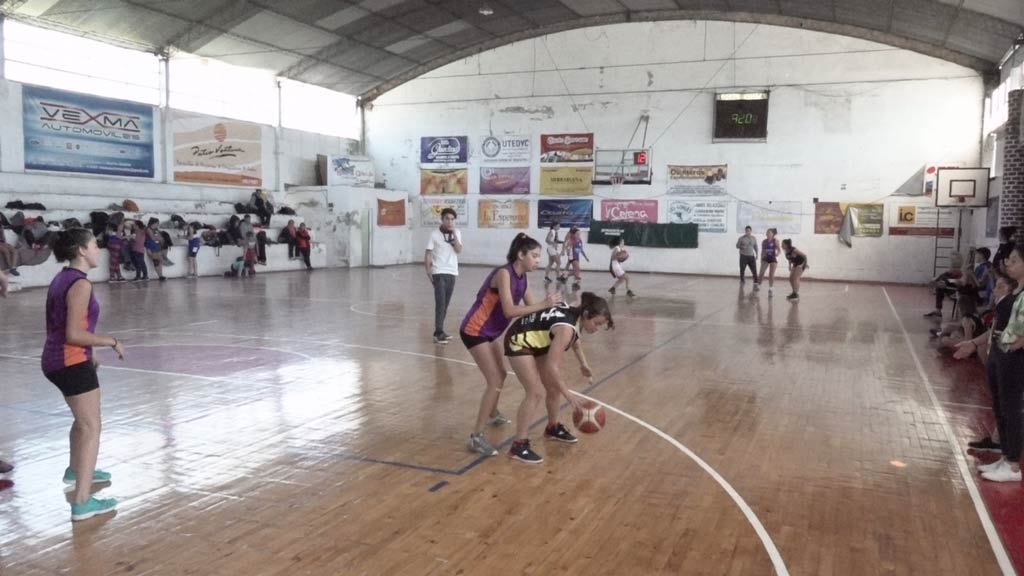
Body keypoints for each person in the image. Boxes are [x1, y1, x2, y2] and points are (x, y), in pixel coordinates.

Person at [42, 229, 126, 521]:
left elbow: (62, 326)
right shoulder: (80, 285)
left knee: (82, 422)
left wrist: (92, 354)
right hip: (69, 362)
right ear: (81, 250)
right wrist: (111, 341)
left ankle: (75, 470)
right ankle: (82, 501)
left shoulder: (62, 278)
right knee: (91, 427)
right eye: (94, 245)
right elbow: (74, 333)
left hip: (59, 359)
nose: (98, 249)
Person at [462, 233, 563, 457]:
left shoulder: (523, 278)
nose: (538, 260)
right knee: (495, 379)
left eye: (539, 256)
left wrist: (560, 312)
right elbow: (510, 310)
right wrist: (544, 304)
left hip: (489, 332)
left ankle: (491, 413)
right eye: (535, 256)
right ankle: (476, 437)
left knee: (501, 374)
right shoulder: (504, 274)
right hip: (474, 330)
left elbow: (536, 308)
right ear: (521, 255)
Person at [504, 292, 613, 464]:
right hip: (518, 340)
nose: (596, 328)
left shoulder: (574, 317)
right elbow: (551, 366)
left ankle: (552, 428)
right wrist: (569, 396)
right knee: (535, 392)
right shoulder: (566, 328)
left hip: (537, 340)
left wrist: (583, 364)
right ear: (586, 315)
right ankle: (518, 445)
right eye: (596, 323)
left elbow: (576, 344)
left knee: (553, 387)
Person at [962, 244, 1024, 482]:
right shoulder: (1015, 292)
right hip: (999, 354)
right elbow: (998, 326)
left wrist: (1011, 346)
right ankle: (1005, 456)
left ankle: (1013, 466)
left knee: (1011, 410)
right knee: (1000, 408)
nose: (1008, 264)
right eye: (1009, 260)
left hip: (1013, 358)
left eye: (1015, 260)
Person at [954, 272, 1018, 453]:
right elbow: (992, 332)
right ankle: (999, 442)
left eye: (1000, 287)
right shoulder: (1002, 308)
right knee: (1002, 403)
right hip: (1001, 359)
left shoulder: (1014, 307)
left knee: (1012, 406)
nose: (995, 291)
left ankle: (1010, 457)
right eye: (995, 286)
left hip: (1012, 362)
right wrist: (973, 343)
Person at [425, 208, 462, 344]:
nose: (450, 221)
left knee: (445, 303)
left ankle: (441, 330)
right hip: (438, 271)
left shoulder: (456, 233)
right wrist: (429, 272)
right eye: (447, 218)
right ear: (442, 219)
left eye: (452, 219)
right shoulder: (434, 234)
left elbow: (458, 250)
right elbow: (428, 253)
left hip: (452, 272)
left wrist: (454, 236)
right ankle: (437, 333)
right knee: (440, 303)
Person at [757, 228, 779, 296]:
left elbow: (779, 250)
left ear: (773, 234)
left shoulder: (775, 241)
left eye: (770, 232)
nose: (768, 234)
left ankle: (770, 288)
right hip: (765, 258)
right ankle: (759, 285)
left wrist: (777, 253)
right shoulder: (764, 241)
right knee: (761, 273)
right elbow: (763, 251)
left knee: (771, 274)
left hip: (773, 259)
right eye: (767, 232)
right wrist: (761, 258)